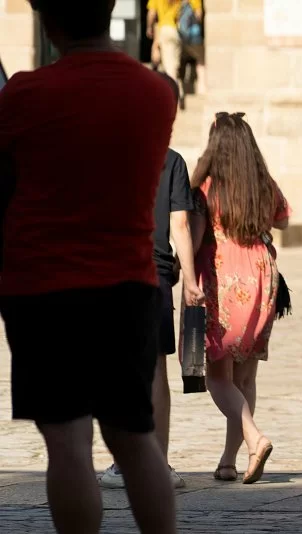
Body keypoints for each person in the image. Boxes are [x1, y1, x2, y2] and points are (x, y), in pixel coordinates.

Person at [0, 1, 178, 532]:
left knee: (67, 445)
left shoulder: (24, 95)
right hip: (127, 283)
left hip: (41, 287)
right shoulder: (155, 94)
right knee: (135, 439)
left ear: (48, 21)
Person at [99, 72, 205, 490]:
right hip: (156, 274)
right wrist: (192, 278)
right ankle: (158, 462)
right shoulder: (172, 160)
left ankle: (124, 463)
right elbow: (179, 223)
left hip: (113, 272)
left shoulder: (111, 157)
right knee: (156, 367)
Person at [189, 111, 290, 485]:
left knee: (217, 376)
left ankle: (253, 437)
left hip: (221, 276)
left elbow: (196, 238)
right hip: (262, 276)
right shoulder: (263, 183)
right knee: (245, 376)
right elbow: (283, 220)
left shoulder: (206, 188)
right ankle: (229, 461)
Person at [147, 0, 203, 110]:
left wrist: (149, 27)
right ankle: (179, 92)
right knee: (174, 64)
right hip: (180, 31)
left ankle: (176, 95)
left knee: (170, 68)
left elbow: (152, 13)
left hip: (165, 29)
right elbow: (198, 13)